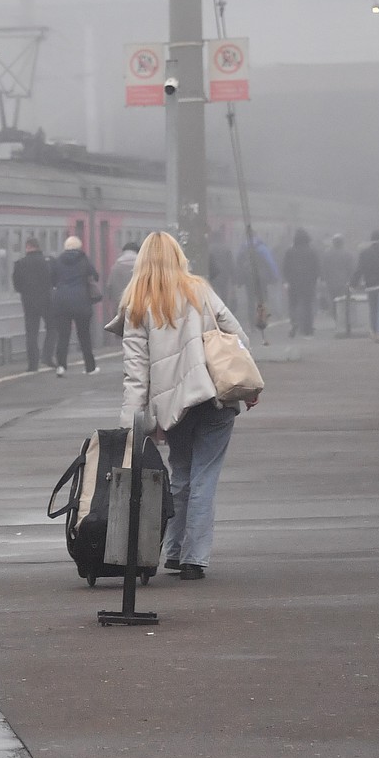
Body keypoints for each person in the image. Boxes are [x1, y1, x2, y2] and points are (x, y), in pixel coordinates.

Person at [119, 231, 256, 580]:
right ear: (178, 257)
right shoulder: (200, 290)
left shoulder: (136, 303)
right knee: (204, 477)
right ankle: (195, 558)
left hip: (174, 406)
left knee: (181, 476)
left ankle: (175, 552)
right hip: (214, 399)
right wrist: (247, 384)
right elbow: (238, 337)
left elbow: (136, 374)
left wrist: (132, 426)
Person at [49, 235, 99, 376]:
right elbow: (95, 276)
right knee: (84, 335)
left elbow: (52, 280)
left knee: (63, 336)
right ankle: (90, 367)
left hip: (62, 302)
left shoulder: (58, 261)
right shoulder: (84, 260)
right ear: (79, 247)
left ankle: (61, 366)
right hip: (81, 301)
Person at [12, 237, 55, 371]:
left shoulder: (20, 263)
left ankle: (32, 364)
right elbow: (54, 280)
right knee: (52, 327)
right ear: (38, 247)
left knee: (31, 332)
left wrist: (26, 291)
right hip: (47, 300)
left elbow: (17, 285)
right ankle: (47, 356)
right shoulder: (48, 262)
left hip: (28, 302)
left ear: (28, 247)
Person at [280, 228, 320, 338]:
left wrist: (286, 280)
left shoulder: (290, 251)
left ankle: (294, 323)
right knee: (307, 305)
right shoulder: (312, 251)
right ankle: (308, 329)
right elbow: (316, 268)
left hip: (293, 283)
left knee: (293, 304)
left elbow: (285, 267)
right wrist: (315, 279)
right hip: (308, 283)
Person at [320, 233, 356, 319]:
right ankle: (342, 318)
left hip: (331, 282)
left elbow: (324, 268)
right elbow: (351, 268)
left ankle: (335, 317)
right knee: (342, 301)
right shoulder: (347, 254)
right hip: (344, 281)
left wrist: (323, 279)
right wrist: (352, 280)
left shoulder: (327, 254)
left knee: (333, 300)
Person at [106, 240, 141, 311]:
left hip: (120, 303)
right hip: (139, 304)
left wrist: (112, 298)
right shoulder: (143, 267)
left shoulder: (116, 267)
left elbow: (110, 285)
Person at [207, 229, 236, 306]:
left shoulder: (209, 249)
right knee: (224, 297)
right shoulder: (226, 249)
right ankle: (223, 313)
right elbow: (231, 265)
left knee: (212, 298)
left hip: (213, 277)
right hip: (224, 277)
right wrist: (233, 281)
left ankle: (214, 314)